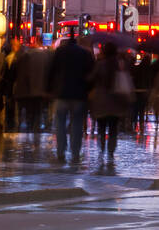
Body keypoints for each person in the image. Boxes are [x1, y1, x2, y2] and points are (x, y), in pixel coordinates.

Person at [48, 29, 93, 164]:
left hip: (61, 93)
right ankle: (75, 153)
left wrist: (50, 89)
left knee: (60, 124)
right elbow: (91, 74)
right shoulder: (85, 54)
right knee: (77, 125)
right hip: (79, 94)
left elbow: (52, 71)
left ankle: (61, 151)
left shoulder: (60, 52)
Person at [89, 41, 132, 167]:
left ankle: (102, 149)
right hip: (116, 102)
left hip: (101, 102)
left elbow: (91, 78)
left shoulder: (100, 64)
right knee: (113, 129)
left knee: (101, 128)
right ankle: (111, 152)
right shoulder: (120, 65)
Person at [132, 51, 153, 135]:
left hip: (137, 91)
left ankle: (134, 125)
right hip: (144, 92)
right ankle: (141, 126)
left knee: (136, 109)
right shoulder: (149, 70)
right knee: (142, 110)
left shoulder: (138, 68)